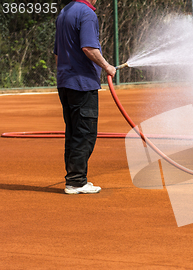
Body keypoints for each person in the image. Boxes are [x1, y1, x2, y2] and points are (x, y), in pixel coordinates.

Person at [54, 0, 116, 194]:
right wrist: (107, 67)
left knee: (73, 132)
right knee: (84, 133)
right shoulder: (87, 13)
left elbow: (57, 53)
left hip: (65, 82)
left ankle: (75, 178)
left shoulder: (64, 12)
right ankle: (76, 181)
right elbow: (88, 48)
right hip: (82, 84)